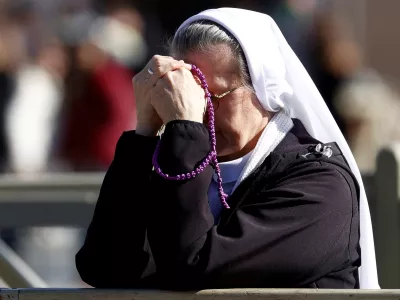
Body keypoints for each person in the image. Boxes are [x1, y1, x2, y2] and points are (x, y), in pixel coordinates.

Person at [76, 8, 379, 289]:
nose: (198, 111)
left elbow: (190, 266)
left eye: (213, 96)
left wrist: (185, 129)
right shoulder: (177, 158)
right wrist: (144, 134)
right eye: (191, 94)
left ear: (263, 91)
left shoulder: (319, 186)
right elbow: (102, 266)